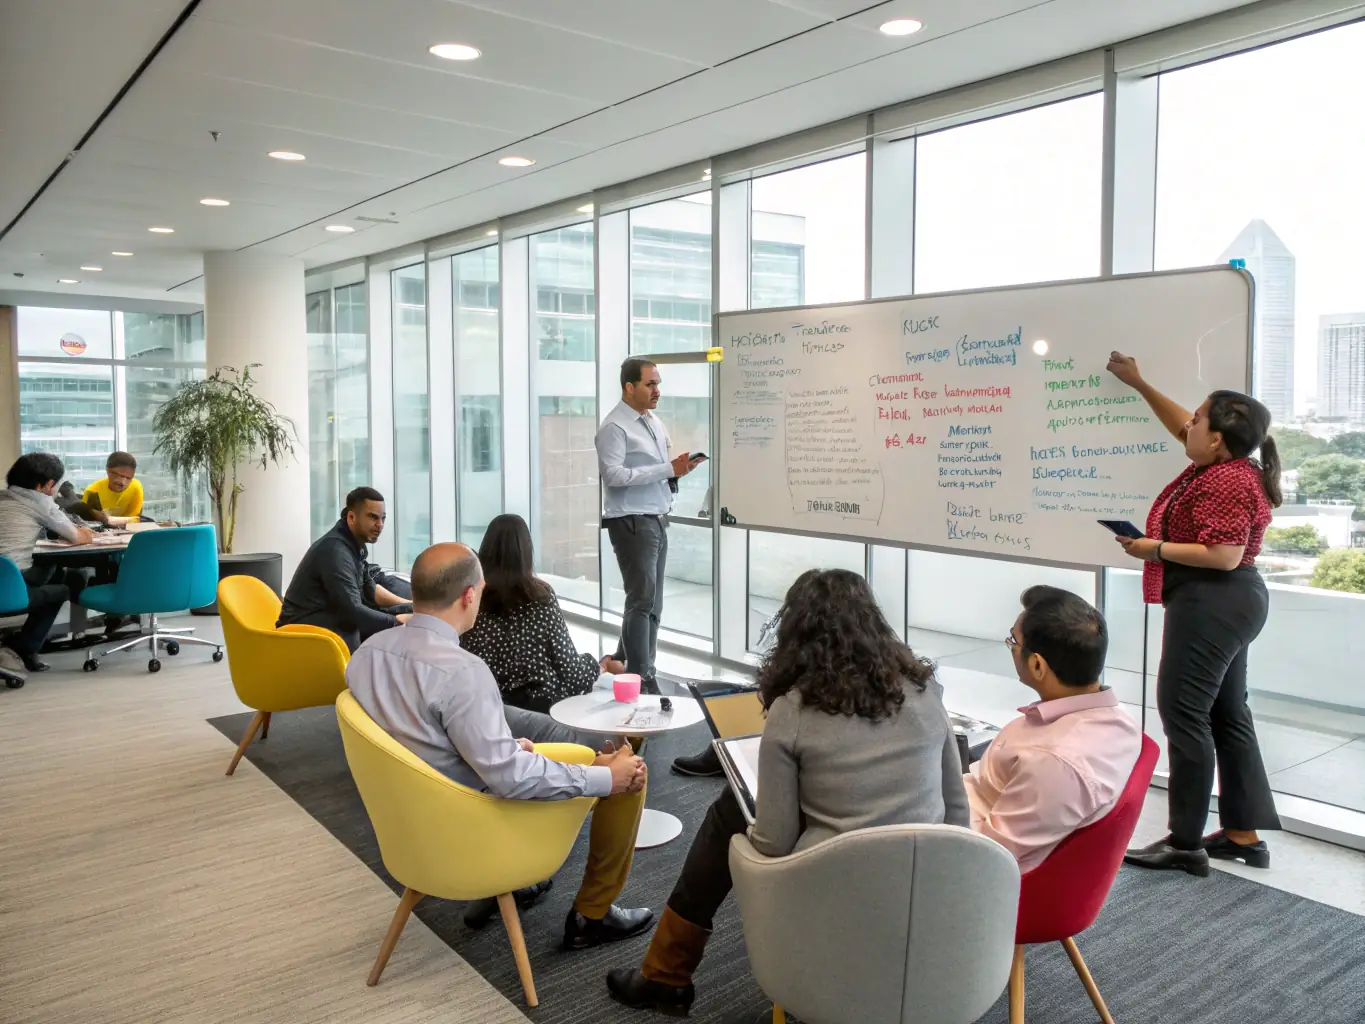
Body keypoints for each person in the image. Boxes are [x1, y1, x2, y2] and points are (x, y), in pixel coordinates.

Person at [606, 568, 970, 1016]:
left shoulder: (793, 710)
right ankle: (665, 973)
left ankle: (666, 974)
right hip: (926, 888)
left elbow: (774, 843)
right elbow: (957, 812)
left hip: (829, 891)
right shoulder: (926, 691)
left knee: (728, 814)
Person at [346, 541, 656, 950]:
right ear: (469, 595)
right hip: (476, 828)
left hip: (410, 822)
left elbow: (420, 737)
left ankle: (517, 888)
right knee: (627, 773)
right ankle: (591, 916)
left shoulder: (367, 654)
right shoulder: (461, 673)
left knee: (587, 761)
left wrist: (505, 745)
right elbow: (510, 780)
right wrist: (603, 778)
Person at [1107, 353, 1282, 875]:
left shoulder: (1225, 480)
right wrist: (1140, 384)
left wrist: (1152, 548)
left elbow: (1224, 554)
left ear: (1218, 439)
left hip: (1213, 596)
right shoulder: (1230, 463)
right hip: (1232, 599)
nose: (1188, 423)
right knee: (1228, 714)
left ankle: (1184, 842)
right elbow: (1182, 423)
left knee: (1183, 713)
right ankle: (1243, 834)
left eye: (1198, 420)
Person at [966, 586, 1142, 872]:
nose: (1010, 648)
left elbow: (986, 859)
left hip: (958, 859)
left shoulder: (1054, 763)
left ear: (1037, 665)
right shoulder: (1116, 719)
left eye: (1013, 641)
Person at [595, 357, 701, 694]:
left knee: (651, 602)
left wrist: (678, 470)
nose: (657, 391)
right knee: (641, 601)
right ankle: (642, 676)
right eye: (650, 384)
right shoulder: (614, 427)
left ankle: (621, 661)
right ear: (629, 387)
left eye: (658, 384)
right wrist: (666, 470)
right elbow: (613, 475)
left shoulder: (651, 421)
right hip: (630, 521)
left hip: (654, 517)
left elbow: (658, 468)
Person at [462, 513, 624, 713]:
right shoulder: (540, 597)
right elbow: (571, 671)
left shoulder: (470, 597)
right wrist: (601, 666)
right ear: (526, 552)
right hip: (540, 710)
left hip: (485, 708)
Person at [277, 486, 411, 651]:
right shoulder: (335, 551)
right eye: (373, 517)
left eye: (383, 518)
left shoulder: (354, 545)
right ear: (351, 517)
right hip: (305, 629)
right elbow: (354, 610)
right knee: (377, 629)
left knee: (393, 615)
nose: (380, 525)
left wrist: (409, 605)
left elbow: (370, 590)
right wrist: (398, 623)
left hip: (330, 618)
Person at [0, 452, 95, 674]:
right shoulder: (40, 501)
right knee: (62, 588)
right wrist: (87, 531)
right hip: (10, 586)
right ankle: (25, 648)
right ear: (47, 485)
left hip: (8, 576)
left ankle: (36, 639)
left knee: (67, 574)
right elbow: (79, 537)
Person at [83, 451, 144, 519]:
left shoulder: (136, 487)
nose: (122, 482)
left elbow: (134, 519)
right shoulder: (92, 492)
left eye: (128, 478)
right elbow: (85, 522)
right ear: (108, 470)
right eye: (118, 476)